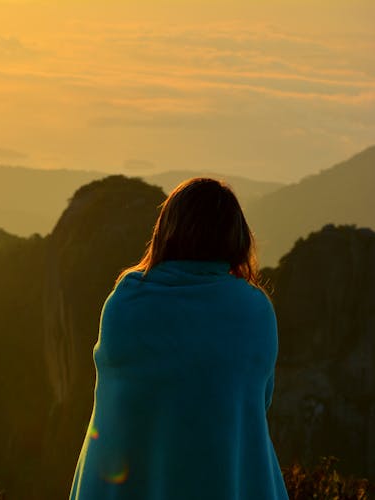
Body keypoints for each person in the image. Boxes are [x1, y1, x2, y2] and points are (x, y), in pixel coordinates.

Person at [69, 178, 289, 499]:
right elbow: (257, 401)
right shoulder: (254, 310)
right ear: (236, 236)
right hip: (229, 482)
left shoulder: (125, 303)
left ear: (166, 230)